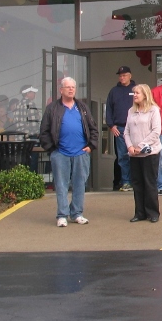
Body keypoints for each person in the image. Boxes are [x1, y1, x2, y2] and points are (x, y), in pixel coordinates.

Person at [38, 76, 100, 227]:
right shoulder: (52, 108)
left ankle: (77, 214)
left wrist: (91, 146)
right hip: (61, 153)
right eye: (68, 87)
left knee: (80, 184)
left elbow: (93, 128)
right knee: (61, 184)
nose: (71, 89)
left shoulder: (82, 108)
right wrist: (53, 149)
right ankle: (62, 215)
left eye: (73, 87)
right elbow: (44, 132)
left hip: (81, 153)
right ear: (61, 90)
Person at [123, 84, 162, 223]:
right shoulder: (131, 111)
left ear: (145, 95)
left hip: (150, 153)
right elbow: (126, 131)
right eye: (134, 93)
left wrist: (140, 146)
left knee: (149, 182)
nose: (135, 95)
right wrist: (130, 146)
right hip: (134, 154)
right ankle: (140, 213)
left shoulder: (153, 110)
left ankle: (153, 212)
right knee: (137, 183)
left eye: (137, 93)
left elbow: (156, 132)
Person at [106, 65, 138, 192]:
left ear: (130, 75)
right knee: (123, 156)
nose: (122, 77)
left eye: (124, 75)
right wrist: (111, 125)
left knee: (136, 155)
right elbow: (108, 110)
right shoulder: (114, 91)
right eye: (120, 75)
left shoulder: (136, 89)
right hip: (120, 128)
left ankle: (136, 182)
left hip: (135, 128)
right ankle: (126, 182)